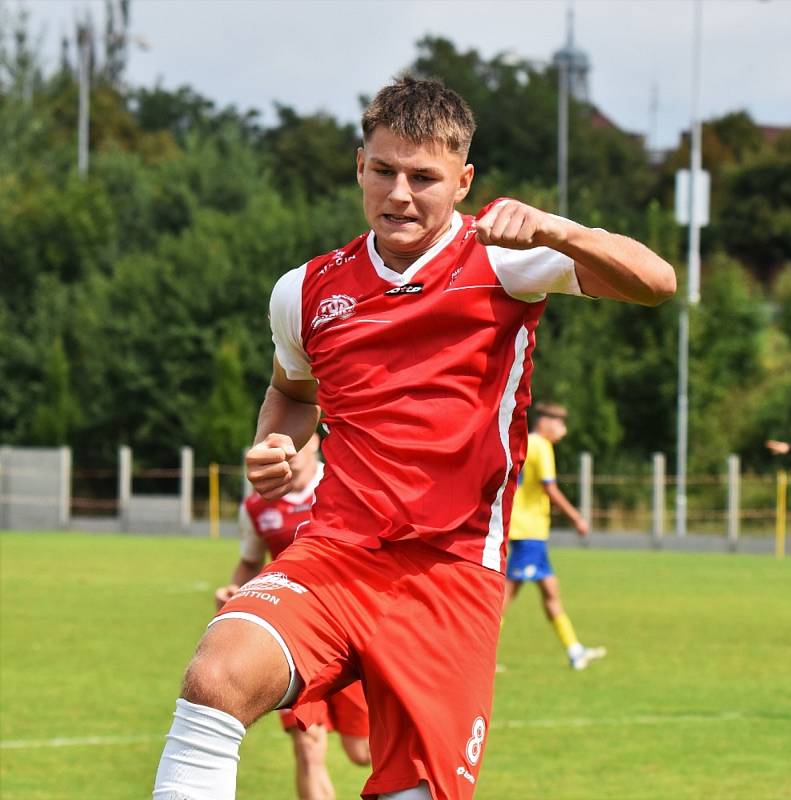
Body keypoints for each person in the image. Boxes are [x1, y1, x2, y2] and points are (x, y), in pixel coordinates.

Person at [153, 76, 676, 800]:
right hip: (336, 553)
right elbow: (289, 393)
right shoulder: (303, 290)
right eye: (383, 170)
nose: (399, 194)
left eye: (423, 177)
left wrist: (558, 229)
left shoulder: (505, 261)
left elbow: (655, 281)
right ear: (358, 166)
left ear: (462, 182)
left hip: (452, 570)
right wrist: (274, 444)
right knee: (216, 676)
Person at [214, 434, 370, 800]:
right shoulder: (256, 506)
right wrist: (233, 592)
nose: (290, 452)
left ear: (315, 439)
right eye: (281, 444)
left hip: (349, 634)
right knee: (308, 747)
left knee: (362, 752)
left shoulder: (345, 486)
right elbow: (251, 562)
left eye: (297, 442)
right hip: (291, 638)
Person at [503, 403, 606, 670]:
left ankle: (574, 651)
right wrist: (576, 518)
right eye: (559, 424)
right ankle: (476, 655)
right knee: (505, 597)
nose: (563, 431)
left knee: (550, 591)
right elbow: (551, 489)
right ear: (545, 422)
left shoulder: (527, 442)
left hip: (528, 531)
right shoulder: (542, 447)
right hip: (529, 532)